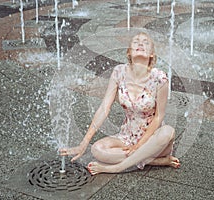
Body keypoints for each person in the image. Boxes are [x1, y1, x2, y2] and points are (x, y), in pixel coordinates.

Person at [60, 32, 180, 175]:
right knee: (97, 149)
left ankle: (116, 167)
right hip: (126, 137)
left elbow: (159, 117)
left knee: (168, 131)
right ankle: (151, 160)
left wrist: (139, 145)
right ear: (129, 51)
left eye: (145, 42)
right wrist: (83, 143)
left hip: (153, 141)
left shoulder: (160, 78)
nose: (140, 43)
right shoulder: (119, 72)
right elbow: (105, 107)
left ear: (152, 54)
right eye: (136, 41)